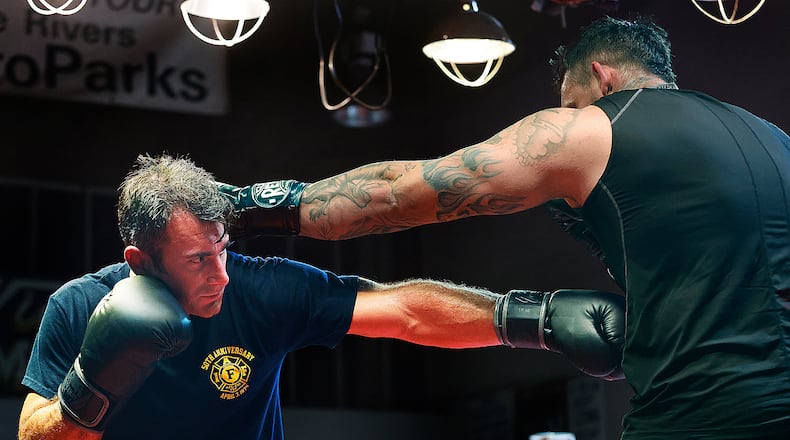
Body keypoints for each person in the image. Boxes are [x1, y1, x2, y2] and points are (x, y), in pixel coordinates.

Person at [218, 16, 790, 440]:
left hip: (699, 418)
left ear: (600, 76)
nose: (568, 111)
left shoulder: (587, 129)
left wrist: (241, 207)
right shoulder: (774, 140)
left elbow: (402, 192)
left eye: (571, 100)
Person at [18, 153, 625, 440]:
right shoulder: (77, 307)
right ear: (139, 263)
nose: (220, 273)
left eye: (222, 249)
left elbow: (407, 312)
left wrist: (532, 319)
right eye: (198, 260)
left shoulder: (261, 288)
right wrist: (94, 384)